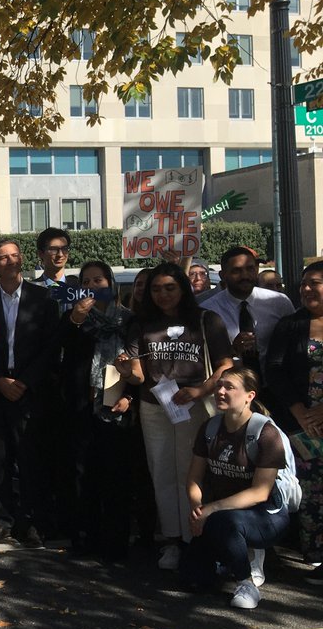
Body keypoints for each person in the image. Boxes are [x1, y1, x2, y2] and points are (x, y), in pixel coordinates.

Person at [125, 263, 233, 570]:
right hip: (154, 405)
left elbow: (226, 364)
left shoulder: (205, 320)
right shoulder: (143, 323)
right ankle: (172, 540)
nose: (162, 295)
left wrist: (201, 390)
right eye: (156, 289)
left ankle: (196, 537)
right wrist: (125, 368)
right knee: (162, 472)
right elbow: (136, 372)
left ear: (183, 288)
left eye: (170, 287)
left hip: (195, 404)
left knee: (192, 473)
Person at [0, 240, 60, 546]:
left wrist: (24, 381)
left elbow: (51, 346)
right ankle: (4, 520)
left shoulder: (43, 298)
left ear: (22, 260)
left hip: (29, 389)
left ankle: (33, 521)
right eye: (1, 258)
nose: (8, 261)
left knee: (31, 456)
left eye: (13, 256)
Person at [183, 367, 290, 609]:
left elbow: (260, 492)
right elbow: (194, 478)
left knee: (224, 522)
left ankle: (246, 582)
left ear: (249, 395)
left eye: (229, 387)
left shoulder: (266, 432)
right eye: (219, 385)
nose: (220, 391)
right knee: (193, 579)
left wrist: (211, 509)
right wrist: (197, 510)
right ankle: (229, 556)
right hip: (219, 513)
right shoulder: (210, 428)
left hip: (266, 516)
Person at [58, 261, 135, 560]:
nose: (93, 286)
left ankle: (116, 541)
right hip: (82, 405)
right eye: (87, 281)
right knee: (83, 473)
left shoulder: (128, 320)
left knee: (115, 474)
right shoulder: (76, 317)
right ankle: (85, 536)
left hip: (118, 404)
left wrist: (129, 395)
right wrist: (75, 320)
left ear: (111, 283)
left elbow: (140, 361)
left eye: (99, 280)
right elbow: (61, 350)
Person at [266, 261, 323, 581]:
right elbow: (274, 370)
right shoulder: (290, 325)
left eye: (315, 283)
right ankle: (314, 553)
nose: (306, 289)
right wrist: (300, 410)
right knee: (311, 490)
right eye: (303, 283)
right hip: (304, 424)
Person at [202, 246, 294, 381]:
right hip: (229, 389)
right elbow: (202, 358)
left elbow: (294, 343)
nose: (245, 276)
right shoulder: (207, 310)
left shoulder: (279, 302)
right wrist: (232, 350)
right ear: (223, 275)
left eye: (250, 269)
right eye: (236, 271)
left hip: (276, 388)